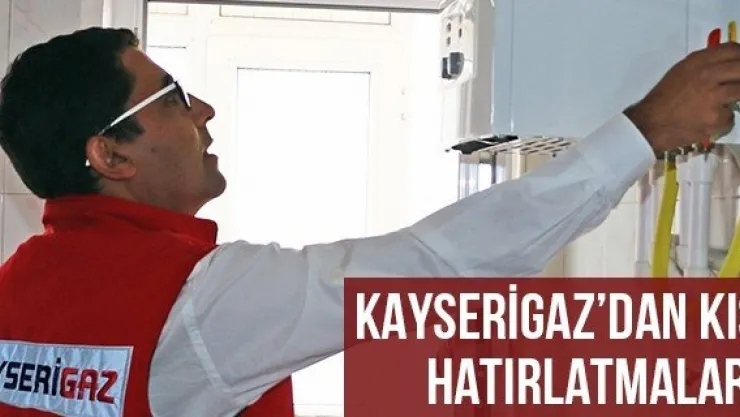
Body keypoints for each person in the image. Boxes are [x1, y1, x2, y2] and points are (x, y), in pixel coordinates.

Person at [0, 26, 739, 417]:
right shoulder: (195, 303)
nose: (204, 111)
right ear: (110, 155)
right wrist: (646, 129)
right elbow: (435, 263)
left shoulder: (15, 291)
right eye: (172, 98)